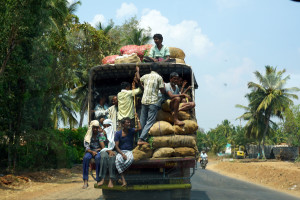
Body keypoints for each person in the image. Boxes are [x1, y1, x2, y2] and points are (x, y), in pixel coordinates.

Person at [137, 63, 165, 145]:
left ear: (150, 69)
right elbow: (162, 90)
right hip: (153, 102)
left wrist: (138, 71)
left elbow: (138, 79)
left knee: (142, 121)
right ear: (158, 70)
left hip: (144, 101)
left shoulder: (145, 76)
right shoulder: (159, 77)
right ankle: (141, 139)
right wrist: (164, 90)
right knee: (150, 121)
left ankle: (141, 137)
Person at [114, 117, 141, 187]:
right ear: (123, 124)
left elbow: (140, 128)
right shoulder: (118, 133)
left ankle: (121, 178)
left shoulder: (131, 130)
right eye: (127, 122)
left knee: (130, 159)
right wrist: (122, 154)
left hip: (129, 151)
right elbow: (116, 146)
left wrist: (137, 119)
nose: (129, 124)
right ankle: (124, 180)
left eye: (129, 122)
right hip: (121, 151)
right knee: (117, 160)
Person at [82, 120, 106, 189]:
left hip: (98, 151)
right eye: (93, 127)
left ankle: (98, 179)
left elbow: (104, 145)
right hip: (90, 151)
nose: (95, 129)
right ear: (91, 128)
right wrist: (92, 152)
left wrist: (99, 149)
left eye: (96, 127)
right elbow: (86, 148)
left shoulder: (100, 134)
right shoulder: (88, 135)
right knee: (86, 158)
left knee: (98, 158)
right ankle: (85, 181)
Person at [98, 119, 117, 188]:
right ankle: (102, 179)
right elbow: (103, 147)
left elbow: (116, 145)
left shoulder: (115, 134)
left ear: (111, 126)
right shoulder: (101, 134)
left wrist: (112, 151)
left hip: (114, 150)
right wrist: (109, 151)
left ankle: (111, 180)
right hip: (105, 150)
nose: (106, 128)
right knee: (103, 157)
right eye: (105, 126)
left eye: (108, 126)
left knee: (112, 158)